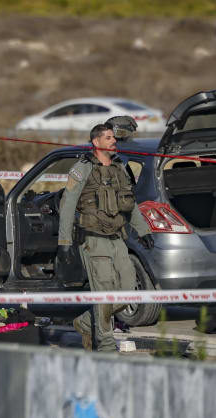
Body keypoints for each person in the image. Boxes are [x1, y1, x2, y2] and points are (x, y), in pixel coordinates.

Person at [57, 123, 154, 350]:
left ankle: (84, 322)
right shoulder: (82, 169)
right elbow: (68, 205)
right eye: (108, 137)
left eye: (114, 137)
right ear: (96, 142)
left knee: (129, 290)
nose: (113, 141)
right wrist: (64, 242)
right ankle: (106, 345)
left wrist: (143, 231)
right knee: (104, 293)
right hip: (93, 239)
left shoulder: (120, 168)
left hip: (118, 238)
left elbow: (131, 205)